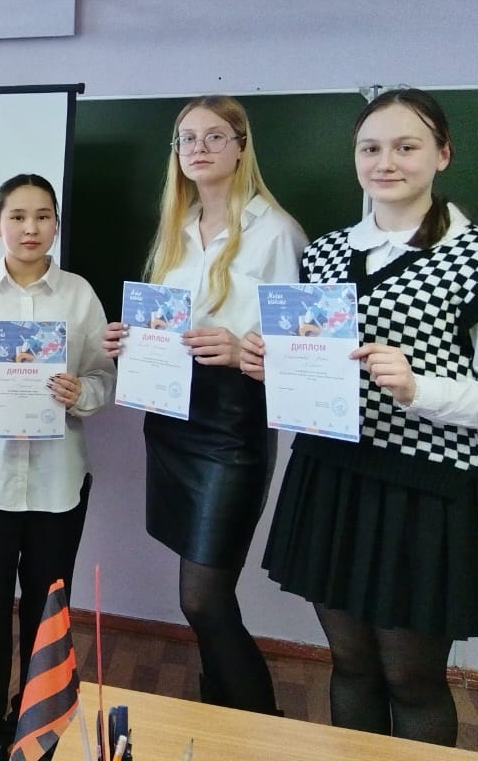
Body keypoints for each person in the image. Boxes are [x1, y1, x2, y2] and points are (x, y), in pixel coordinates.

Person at [243, 87, 478, 745]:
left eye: (405, 146)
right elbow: (313, 361)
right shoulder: (327, 253)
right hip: (332, 474)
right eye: (370, 148)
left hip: (427, 487)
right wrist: (273, 365)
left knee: (412, 679)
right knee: (351, 664)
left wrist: (420, 389)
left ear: (443, 154)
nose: (385, 162)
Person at [101, 95, 305, 714]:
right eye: (187, 138)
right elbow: (168, 326)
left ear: (241, 147)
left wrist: (242, 349)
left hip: (233, 424)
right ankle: (222, 722)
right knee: (203, 599)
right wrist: (128, 341)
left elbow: (304, 353)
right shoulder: (177, 228)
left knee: (202, 598)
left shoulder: (277, 231)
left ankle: (261, 731)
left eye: (215, 136)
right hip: (171, 418)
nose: (199, 148)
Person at [0, 173, 115, 761]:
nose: (30, 228)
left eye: (42, 216)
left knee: (47, 610)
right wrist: (4, 385)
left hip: (59, 480)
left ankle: (37, 723)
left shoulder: (80, 296)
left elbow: (103, 379)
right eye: (17, 216)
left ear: (56, 224)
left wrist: (78, 392)